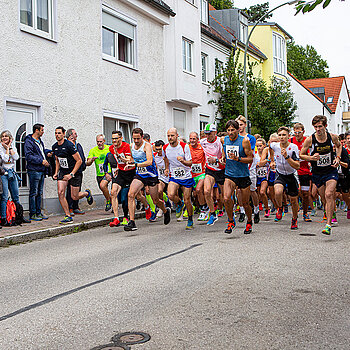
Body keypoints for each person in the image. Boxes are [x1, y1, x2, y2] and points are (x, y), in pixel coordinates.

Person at [300, 115, 342, 235]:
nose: (318, 129)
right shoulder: (310, 139)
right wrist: (311, 157)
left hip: (330, 171)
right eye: (315, 127)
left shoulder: (332, 137)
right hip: (317, 172)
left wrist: (338, 158)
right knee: (324, 198)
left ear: (325, 126)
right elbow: (301, 155)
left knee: (329, 194)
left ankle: (328, 225)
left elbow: (339, 146)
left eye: (320, 126)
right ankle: (330, 212)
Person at [124, 128, 170, 231]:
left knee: (155, 200)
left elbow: (149, 161)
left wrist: (135, 164)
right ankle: (132, 222)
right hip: (140, 175)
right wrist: (128, 162)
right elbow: (131, 159)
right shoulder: (131, 146)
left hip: (151, 175)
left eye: (138, 138)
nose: (136, 141)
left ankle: (165, 210)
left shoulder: (147, 146)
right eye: (134, 138)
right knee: (131, 194)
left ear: (142, 137)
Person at [52, 126, 94, 224]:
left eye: (59, 133)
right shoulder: (55, 146)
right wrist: (56, 172)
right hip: (63, 172)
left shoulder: (69, 145)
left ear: (63, 134)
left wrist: (71, 174)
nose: (57, 135)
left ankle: (87, 193)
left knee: (74, 196)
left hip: (74, 172)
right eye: (56, 133)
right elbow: (58, 160)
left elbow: (79, 160)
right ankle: (68, 215)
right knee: (60, 192)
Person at [222, 120, 254, 234]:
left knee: (245, 203)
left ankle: (249, 221)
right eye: (228, 130)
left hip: (243, 175)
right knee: (226, 198)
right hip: (230, 174)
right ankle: (231, 221)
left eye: (232, 130)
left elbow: (250, 159)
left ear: (237, 130)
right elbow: (224, 152)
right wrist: (223, 158)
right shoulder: (224, 140)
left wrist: (238, 159)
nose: (230, 132)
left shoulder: (244, 141)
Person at [266, 126, 300, 230]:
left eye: (284, 135)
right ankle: (280, 207)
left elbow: (297, 165)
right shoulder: (275, 145)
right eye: (280, 135)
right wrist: (272, 160)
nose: (282, 137)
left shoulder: (293, 147)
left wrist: (286, 157)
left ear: (289, 136)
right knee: (278, 192)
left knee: (293, 200)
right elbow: (269, 146)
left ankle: (294, 219)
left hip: (291, 174)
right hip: (280, 173)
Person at [163, 128, 194, 229]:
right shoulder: (165, 148)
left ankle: (190, 219)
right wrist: (167, 168)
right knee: (170, 195)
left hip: (186, 176)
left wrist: (183, 161)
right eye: (168, 136)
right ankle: (179, 204)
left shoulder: (184, 146)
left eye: (172, 135)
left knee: (187, 199)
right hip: (175, 175)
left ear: (177, 135)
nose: (170, 138)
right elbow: (166, 159)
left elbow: (190, 163)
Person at [104, 131, 135, 227]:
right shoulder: (111, 148)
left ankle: (146, 207)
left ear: (121, 138)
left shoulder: (126, 146)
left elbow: (129, 160)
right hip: (121, 172)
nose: (114, 141)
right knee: (113, 192)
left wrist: (119, 157)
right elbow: (118, 161)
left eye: (116, 138)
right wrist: (118, 166)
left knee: (136, 196)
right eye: (112, 138)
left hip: (130, 172)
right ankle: (116, 218)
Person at [0, 130, 30, 225]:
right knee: (4, 197)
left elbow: (16, 157)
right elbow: (4, 158)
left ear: (10, 138)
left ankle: (19, 216)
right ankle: (4, 218)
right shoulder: (0, 148)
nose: (4, 138)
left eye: (6, 136)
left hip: (12, 174)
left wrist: (10, 148)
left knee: (16, 196)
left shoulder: (13, 147)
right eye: (3, 136)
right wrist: (7, 149)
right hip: (3, 174)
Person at [24, 123, 52, 221]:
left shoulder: (39, 141)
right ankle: (33, 214)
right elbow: (29, 156)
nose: (43, 132)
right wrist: (41, 161)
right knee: (33, 192)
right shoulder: (29, 141)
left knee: (39, 192)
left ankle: (38, 212)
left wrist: (48, 152)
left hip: (41, 170)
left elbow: (41, 151)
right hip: (34, 170)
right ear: (37, 130)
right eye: (42, 130)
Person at [201, 123, 225, 226]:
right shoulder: (202, 142)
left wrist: (216, 160)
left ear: (215, 133)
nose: (207, 136)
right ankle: (212, 213)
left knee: (225, 196)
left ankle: (230, 212)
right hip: (210, 170)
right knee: (206, 191)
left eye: (209, 134)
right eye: (206, 134)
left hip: (222, 170)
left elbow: (224, 160)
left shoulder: (220, 141)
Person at [290, 123, 313, 222]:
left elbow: (310, 154)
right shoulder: (291, 140)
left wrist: (308, 160)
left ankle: (305, 213)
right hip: (294, 170)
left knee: (305, 193)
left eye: (299, 132)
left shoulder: (307, 141)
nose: (297, 134)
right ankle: (296, 208)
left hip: (305, 171)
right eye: (295, 132)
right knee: (296, 192)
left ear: (303, 132)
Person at [86, 134, 112, 211]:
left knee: (103, 185)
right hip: (99, 173)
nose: (99, 143)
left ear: (104, 141)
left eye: (101, 141)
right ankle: (112, 202)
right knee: (103, 189)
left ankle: (108, 201)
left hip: (108, 172)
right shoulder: (93, 150)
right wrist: (91, 160)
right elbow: (87, 163)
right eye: (98, 142)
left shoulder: (109, 148)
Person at [65, 129, 86, 216]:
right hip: (69, 171)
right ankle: (69, 208)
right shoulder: (66, 145)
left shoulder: (78, 145)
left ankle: (76, 207)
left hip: (79, 171)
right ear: (70, 136)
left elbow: (82, 157)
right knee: (70, 191)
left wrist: (83, 165)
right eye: (75, 134)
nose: (76, 135)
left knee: (77, 189)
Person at [188, 132, 207, 221]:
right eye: (190, 138)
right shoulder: (187, 148)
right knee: (196, 193)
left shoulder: (202, 147)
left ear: (197, 139)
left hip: (202, 173)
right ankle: (205, 206)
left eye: (194, 139)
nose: (192, 140)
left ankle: (203, 210)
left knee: (199, 189)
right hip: (192, 174)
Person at [255, 138, 270, 217]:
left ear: (264, 146)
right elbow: (256, 164)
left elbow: (260, 163)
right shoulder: (255, 155)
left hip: (265, 176)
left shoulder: (268, 154)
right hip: (257, 175)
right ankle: (259, 205)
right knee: (257, 193)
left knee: (262, 192)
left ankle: (267, 208)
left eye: (260, 146)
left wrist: (262, 163)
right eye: (257, 146)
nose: (259, 147)